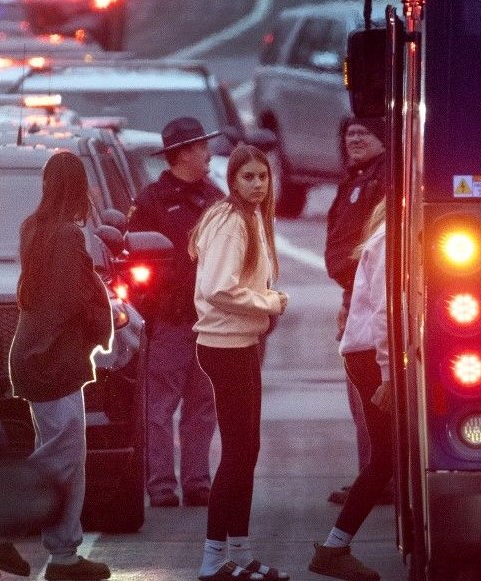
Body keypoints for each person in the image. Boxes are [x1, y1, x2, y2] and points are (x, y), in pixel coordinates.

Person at [7, 151, 112, 581]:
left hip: (35, 353)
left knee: (68, 453)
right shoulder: (68, 235)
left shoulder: (34, 227)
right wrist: (98, 319)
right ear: (77, 186)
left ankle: (65, 554)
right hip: (53, 358)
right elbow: (69, 299)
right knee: (63, 454)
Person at [190, 144, 290, 581]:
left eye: (262, 177)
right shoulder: (231, 222)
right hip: (224, 345)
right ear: (232, 181)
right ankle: (213, 559)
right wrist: (269, 302)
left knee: (246, 451)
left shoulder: (248, 218)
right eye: (247, 177)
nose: (255, 184)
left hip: (239, 342)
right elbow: (217, 287)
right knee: (238, 453)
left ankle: (240, 553)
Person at [129, 116, 223, 508]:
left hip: (209, 322)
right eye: (201, 147)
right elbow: (132, 259)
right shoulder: (150, 201)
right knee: (160, 408)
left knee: (203, 406)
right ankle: (162, 485)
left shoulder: (216, 199)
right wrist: (150, 309)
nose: (208, 153)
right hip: (169, 322)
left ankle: (198, 482)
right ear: (182, 154)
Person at [309, 202, 389, 581]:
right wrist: (388, 374)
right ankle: (333, 548)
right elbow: (384, 311)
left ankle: (334, 547)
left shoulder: (382, 235)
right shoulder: (390, 239)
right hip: (372, 356)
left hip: (368, 355)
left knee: (389, 456)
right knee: (386, 457)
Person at [324, 117, 387, 505]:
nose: (354, 139)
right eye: (349, 133)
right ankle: (372, 474)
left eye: (364, 133)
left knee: (369, 390)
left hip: (371, 291)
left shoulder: (383, 179)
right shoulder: (356, 177)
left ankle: (378, 476)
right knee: (360, 394)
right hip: (355, 290)